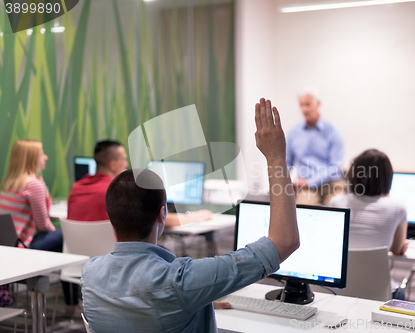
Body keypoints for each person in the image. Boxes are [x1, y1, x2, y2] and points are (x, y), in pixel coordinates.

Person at [81, 98, 299, 332]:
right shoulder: (180, 282)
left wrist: (198, 297)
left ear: (111, 216)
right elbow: (283, 242)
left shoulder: (90, 274)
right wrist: (276, 158)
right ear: (162, 214)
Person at [0, 139, 79, 310]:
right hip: (22, 248)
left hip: (8, 246)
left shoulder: (9, 183)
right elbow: (43, 225)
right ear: (32, 158)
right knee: (68, 233)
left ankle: (72, 302)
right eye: (41, 154)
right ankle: (72, 303)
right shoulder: (33, 184)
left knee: (62, 235)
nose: (46, 157)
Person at [68, 140, 212, 225]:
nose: (126, 163)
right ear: (113, 165)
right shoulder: (117, 192)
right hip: (117, 262)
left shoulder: (77, 187)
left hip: (83, 264)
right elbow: (157, 219)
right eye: (123, 159)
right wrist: (196, 217)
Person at [329, 149, 408, 300]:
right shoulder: (397, 208)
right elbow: (397, 249)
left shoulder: (336, 202)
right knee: (400, 293)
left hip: (336, 289)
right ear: (387, 178)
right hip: (380, 294)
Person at [286, 88, 345, 205]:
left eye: (307, 104)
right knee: (303, 208)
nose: (304, 109)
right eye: (301, 105)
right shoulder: (293, 132)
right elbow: (287, 163)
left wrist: (310, 182)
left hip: (332, 184)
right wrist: (283, 184)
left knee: (338, 207)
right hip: (306, 189)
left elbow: (336, 166)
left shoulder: (333, 131)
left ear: (318, 104)